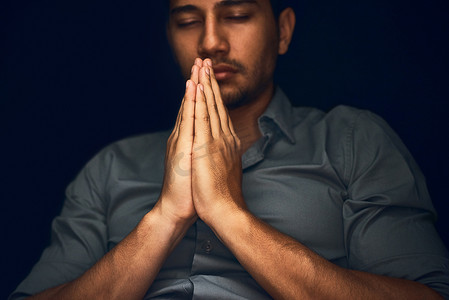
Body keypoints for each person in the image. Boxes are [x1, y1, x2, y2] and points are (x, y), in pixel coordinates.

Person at [10, 0, 449, 299]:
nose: (210, 42)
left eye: (236, 14)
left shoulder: (354, 141)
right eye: (187, 21)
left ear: (282, 30)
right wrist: (165, 218)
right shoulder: (110, 167)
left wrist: (226, 211)